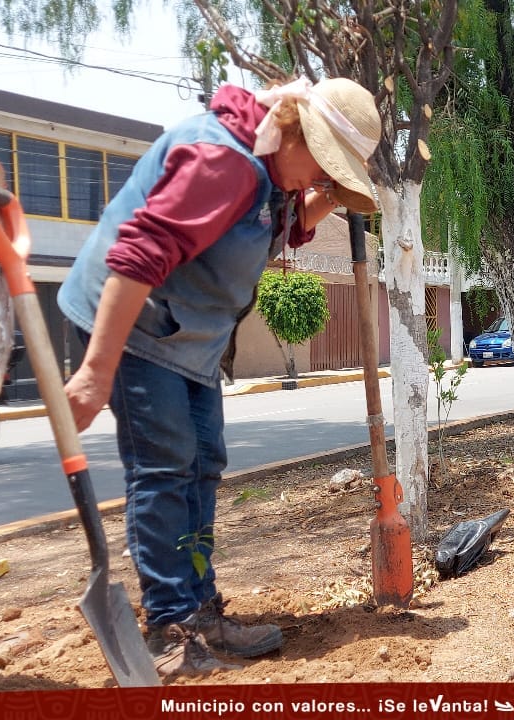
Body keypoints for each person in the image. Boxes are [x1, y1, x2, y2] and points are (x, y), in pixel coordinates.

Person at [58, 77, 382, 676]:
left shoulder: (271, 167)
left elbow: (285, 225)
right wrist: (96, 371)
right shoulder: (224, 161)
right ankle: (169, 628)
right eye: (322, 165)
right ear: (295, 131)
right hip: (131, 325)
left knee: (204, 461)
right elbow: (136, 256)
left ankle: (198, 607)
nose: (318, 179)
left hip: (187, 338)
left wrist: (332, 191)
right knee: (165, 467)